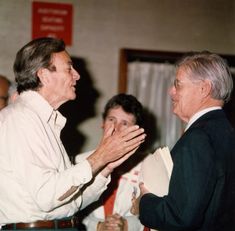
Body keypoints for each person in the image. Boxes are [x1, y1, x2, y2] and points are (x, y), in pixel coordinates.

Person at [0, 37, 146, 230]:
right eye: (69, 68)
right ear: (44, 75)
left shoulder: (43, 121)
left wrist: (105, 168)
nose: (77, 75)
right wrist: (99, 157)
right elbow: (46, 197)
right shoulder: (21, 119)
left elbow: (71, 203)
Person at [132, 51, 235, 230]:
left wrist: (143, 203)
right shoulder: (228, 132)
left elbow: (180, 217)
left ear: (204, 89)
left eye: (178, 84)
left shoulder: (198, 138)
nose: (171, 91)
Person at [76, 93, 147, 231]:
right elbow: (69, 210)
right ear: (103, 123)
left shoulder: (148, 165)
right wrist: (97, 227)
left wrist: (128, 225)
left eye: (125, 123)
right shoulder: (79, 162)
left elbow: (158, 213)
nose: (116, 128)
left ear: (136, 130)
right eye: (111, 119)